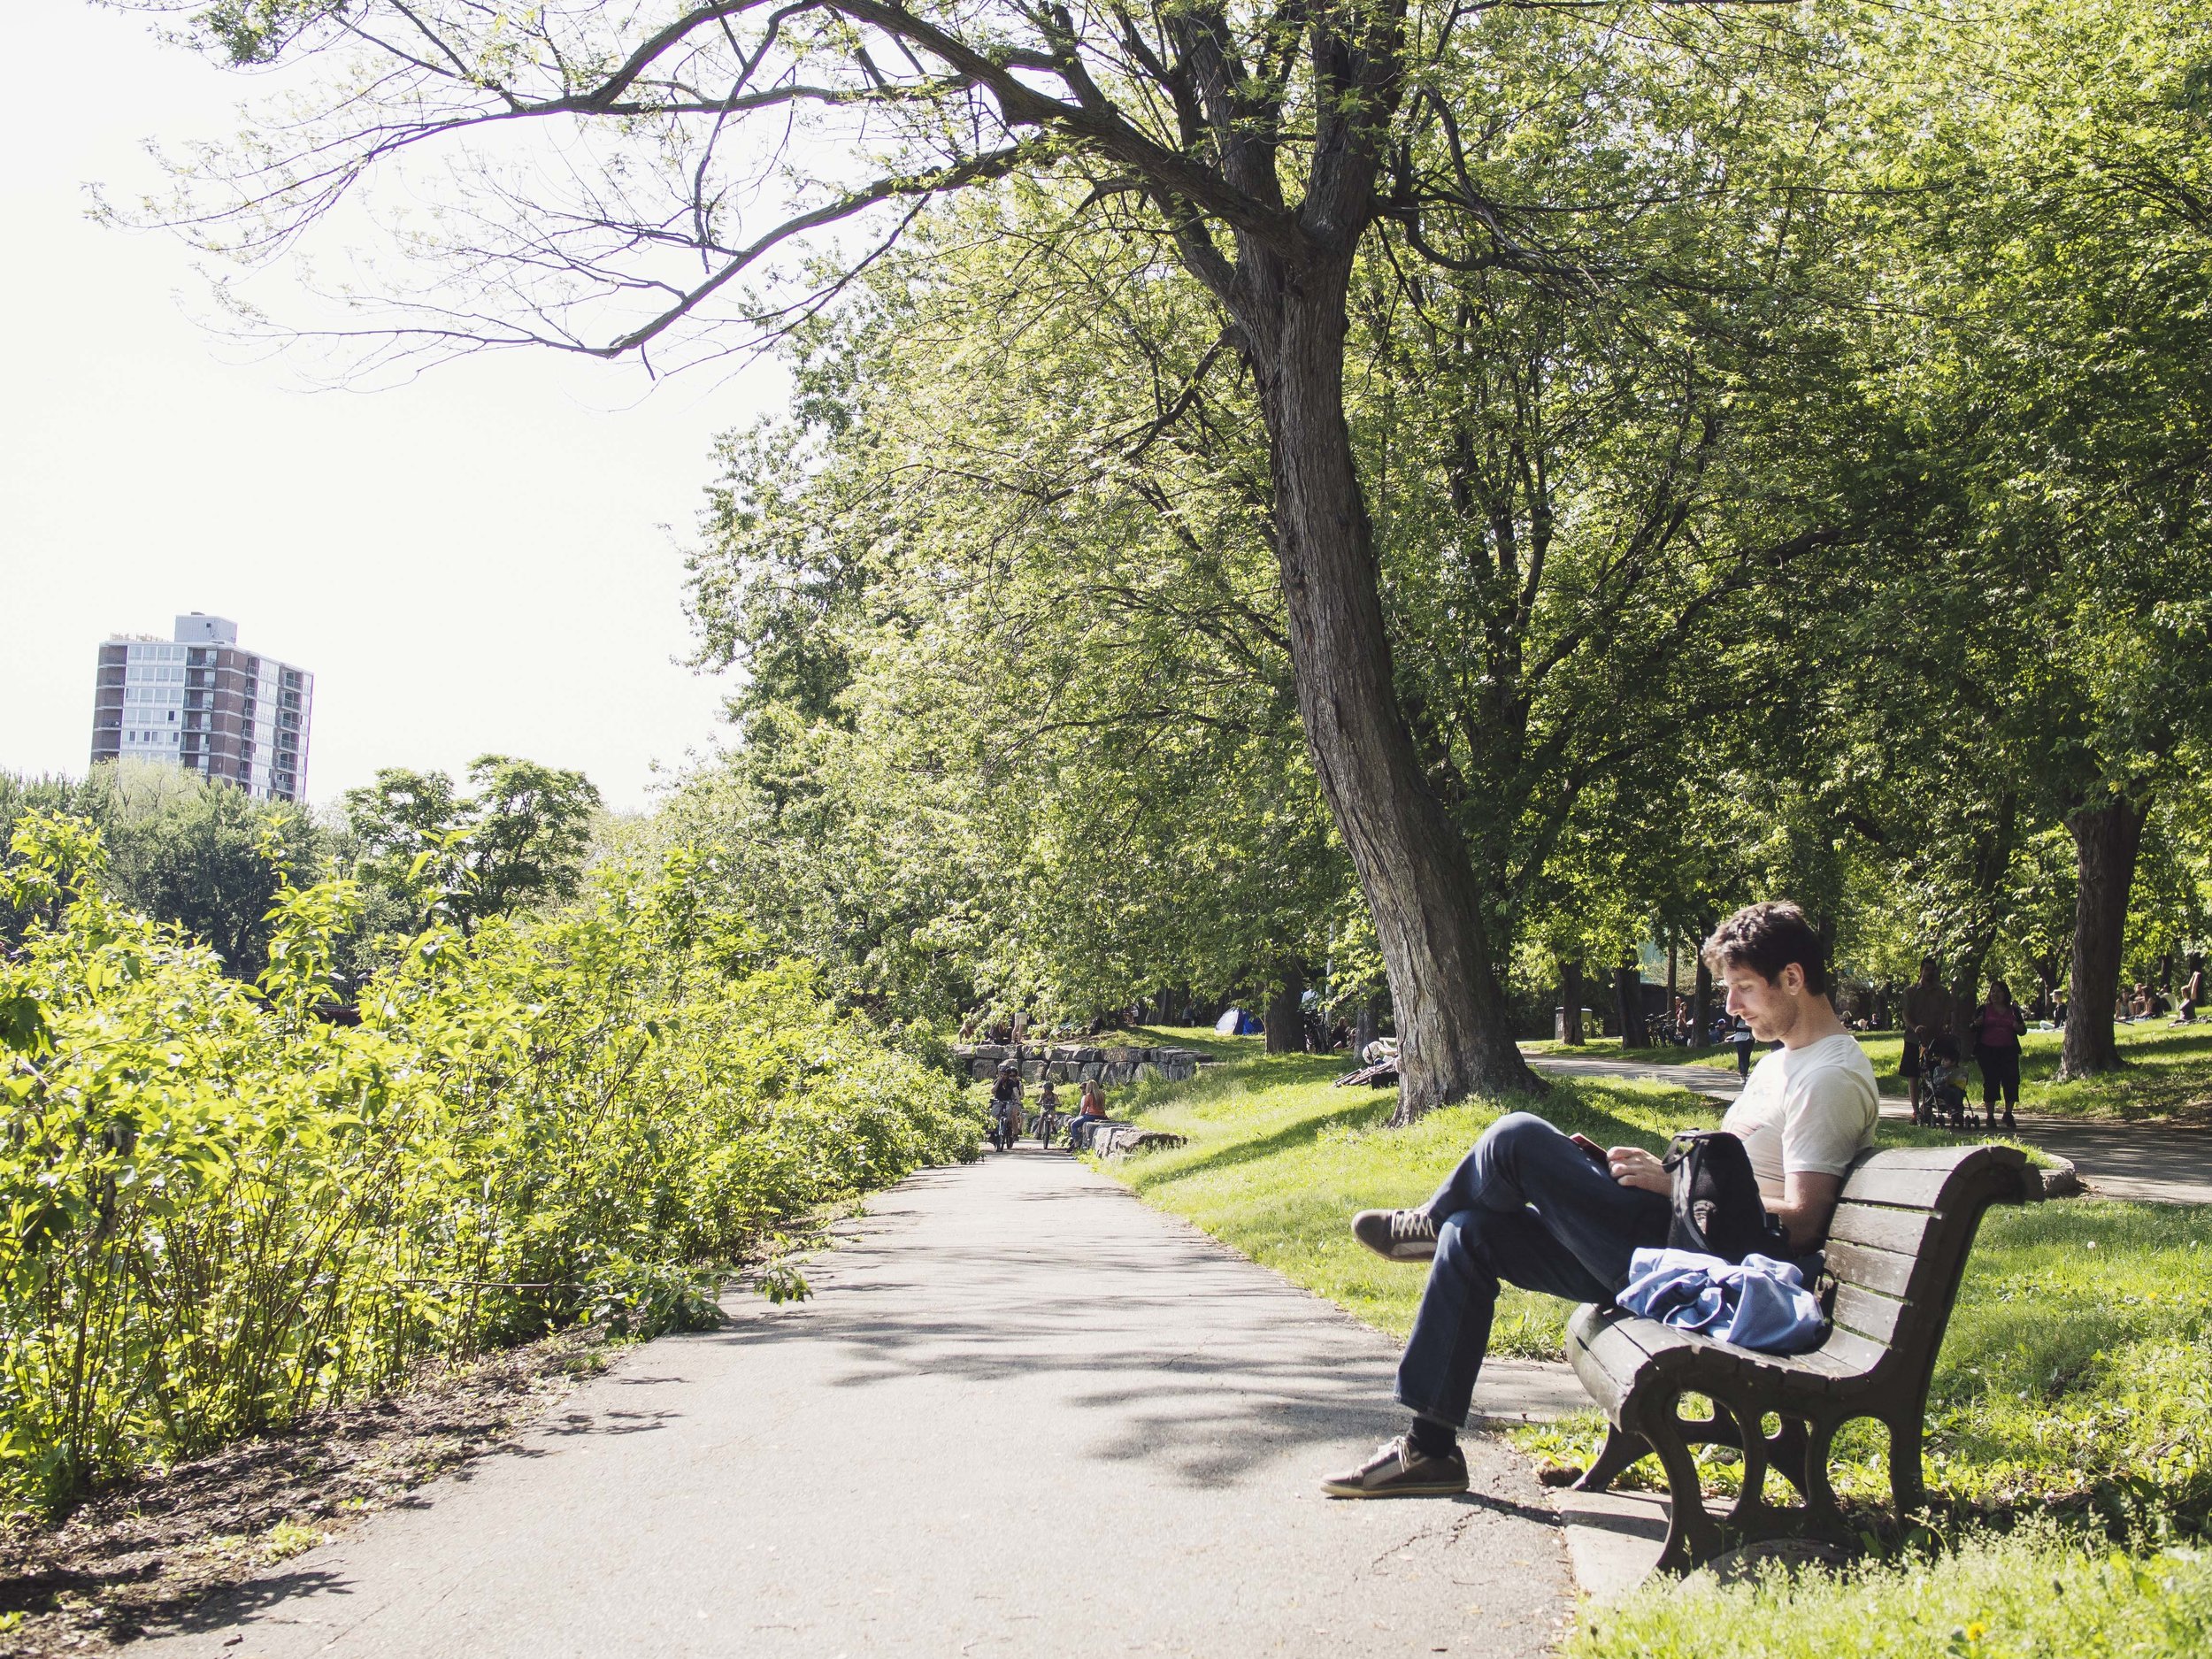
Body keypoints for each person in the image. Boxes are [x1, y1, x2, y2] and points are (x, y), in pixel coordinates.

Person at [1318, 902, 1878, 1499]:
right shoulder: (1784, 1064)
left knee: (1517, 1137)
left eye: (1743, 988)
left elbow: (1802, 1224)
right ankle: (1429, 1449)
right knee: (1471, 1230)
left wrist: (1670, 1184)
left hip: (1702, 1268)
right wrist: (1645, 1171)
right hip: (1675, 1245)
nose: (1732, 1006)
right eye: (1730, 989)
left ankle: (1422, 1224)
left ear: (1792, 979)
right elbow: (1728, 1180)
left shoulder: (1829, 1078)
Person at [1901, 957, 1954, 1125]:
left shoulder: (1943, 992)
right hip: (1914, 1039)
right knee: (1913, 1074)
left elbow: (1947, 1012)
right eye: (1927, 969)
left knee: (1934, 1073)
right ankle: (1916, 1111)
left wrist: (1946, 1025)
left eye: (1933, 969)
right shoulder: (1911, 991)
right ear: (1921, 970)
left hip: (1936, 1039)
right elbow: (1905, 1013)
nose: (1930, 972)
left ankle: (1929, 1106)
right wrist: (1915, 1027)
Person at [1970, 979, 2026, 1133]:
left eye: (1999, 991)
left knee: (2011, 1080)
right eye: (1993, 991)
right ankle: (1990, 1115)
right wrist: (1977, 1024)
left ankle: (2008, 1113)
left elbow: (2023, 1030)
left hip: (2008, 1050)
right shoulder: (1983, 1009)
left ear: (2005, 994)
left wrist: (2017, 1027)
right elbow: (1971, 1027)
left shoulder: (2013, 1010)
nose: (1995, 994)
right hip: (1987, 1050)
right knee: (1991, 1081)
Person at [989, 1063, 1024, 1152]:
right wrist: (999, 1081)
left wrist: (1019, 1102)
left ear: (1008, 1075)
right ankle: (992, 1134)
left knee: (1010, 1114)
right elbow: (992, 1091)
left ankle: (1008, 1128)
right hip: (998, 1101)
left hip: (1008, 1101)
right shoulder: (997, 1081)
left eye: (1005, 1074)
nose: (1003, 1076)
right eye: (1001, 1074)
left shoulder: (1011, 1082)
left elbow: (1016, 1092)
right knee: (994, 1115)